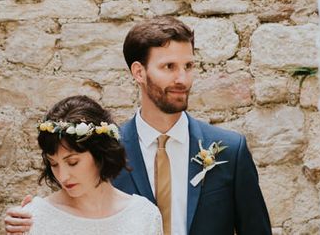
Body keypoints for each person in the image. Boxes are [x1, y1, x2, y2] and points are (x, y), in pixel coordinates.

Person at [113, 16, 271, 235]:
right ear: (139, 72)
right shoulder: (107, 151)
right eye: (169, 67)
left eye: (188, 66)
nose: (183, 79)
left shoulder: (232, 151)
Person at [3, 95, 162, 235]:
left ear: (100, 153)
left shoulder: (144, 216)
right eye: (54, 164)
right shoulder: (33, 218)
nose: (63, 177)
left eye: (73, 162)